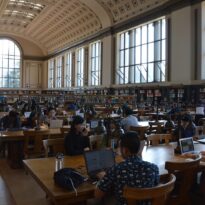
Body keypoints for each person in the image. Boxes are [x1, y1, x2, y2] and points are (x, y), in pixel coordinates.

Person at [95, 131, 159, 205]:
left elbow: (97, 195)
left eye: (120, 147)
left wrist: (103, 178)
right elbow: (156, 189)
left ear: (125, 150)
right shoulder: (153, 168)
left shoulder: (116, 169)